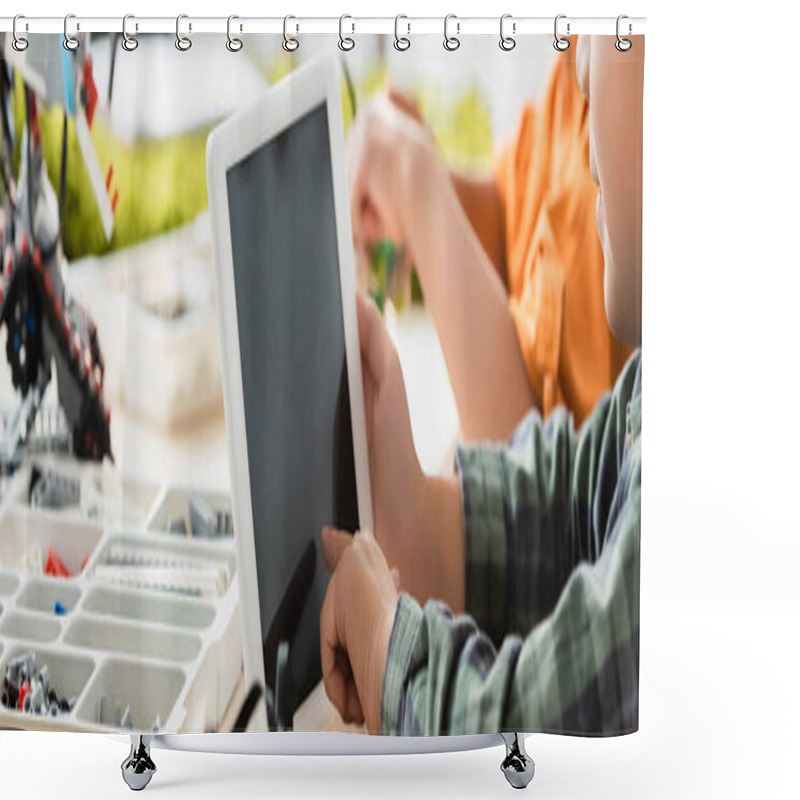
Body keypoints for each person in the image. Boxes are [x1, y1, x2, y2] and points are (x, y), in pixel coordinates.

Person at [320, 34, 644, 735]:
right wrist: (428, 521)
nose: (583, 62)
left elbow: (548, 702)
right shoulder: (579, 71)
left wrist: (417, 181)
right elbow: (580, 491)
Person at [347, 37, 631, 442]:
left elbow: (530, 484)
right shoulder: (581, 53)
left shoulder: (623, 74)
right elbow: (514, 219)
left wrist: (419, 182)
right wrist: (417, 171)